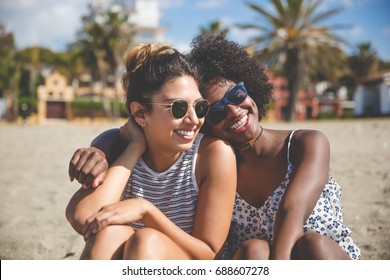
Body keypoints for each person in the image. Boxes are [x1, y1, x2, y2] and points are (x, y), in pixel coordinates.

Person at [69, 34, 361, 260]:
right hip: (252, 255)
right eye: (216, 110)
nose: (232, 111)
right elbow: (84, 217)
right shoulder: (126, 142)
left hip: (313, 253)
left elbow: (290, 212)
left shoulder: (300, 143)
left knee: (311, 244)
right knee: (254, 250)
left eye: (236, 95)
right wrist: (124, 145)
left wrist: (146, 211)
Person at [66, 42, 237, 260]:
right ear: (140, 114)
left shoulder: (212, 154)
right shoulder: (122, 145)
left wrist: (146, 211)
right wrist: (136, 145)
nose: (194, 120)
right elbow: (84, 216)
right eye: (179, 108)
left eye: (200, 106)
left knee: (147, 240)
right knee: (108, 233)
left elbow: (209, 254)